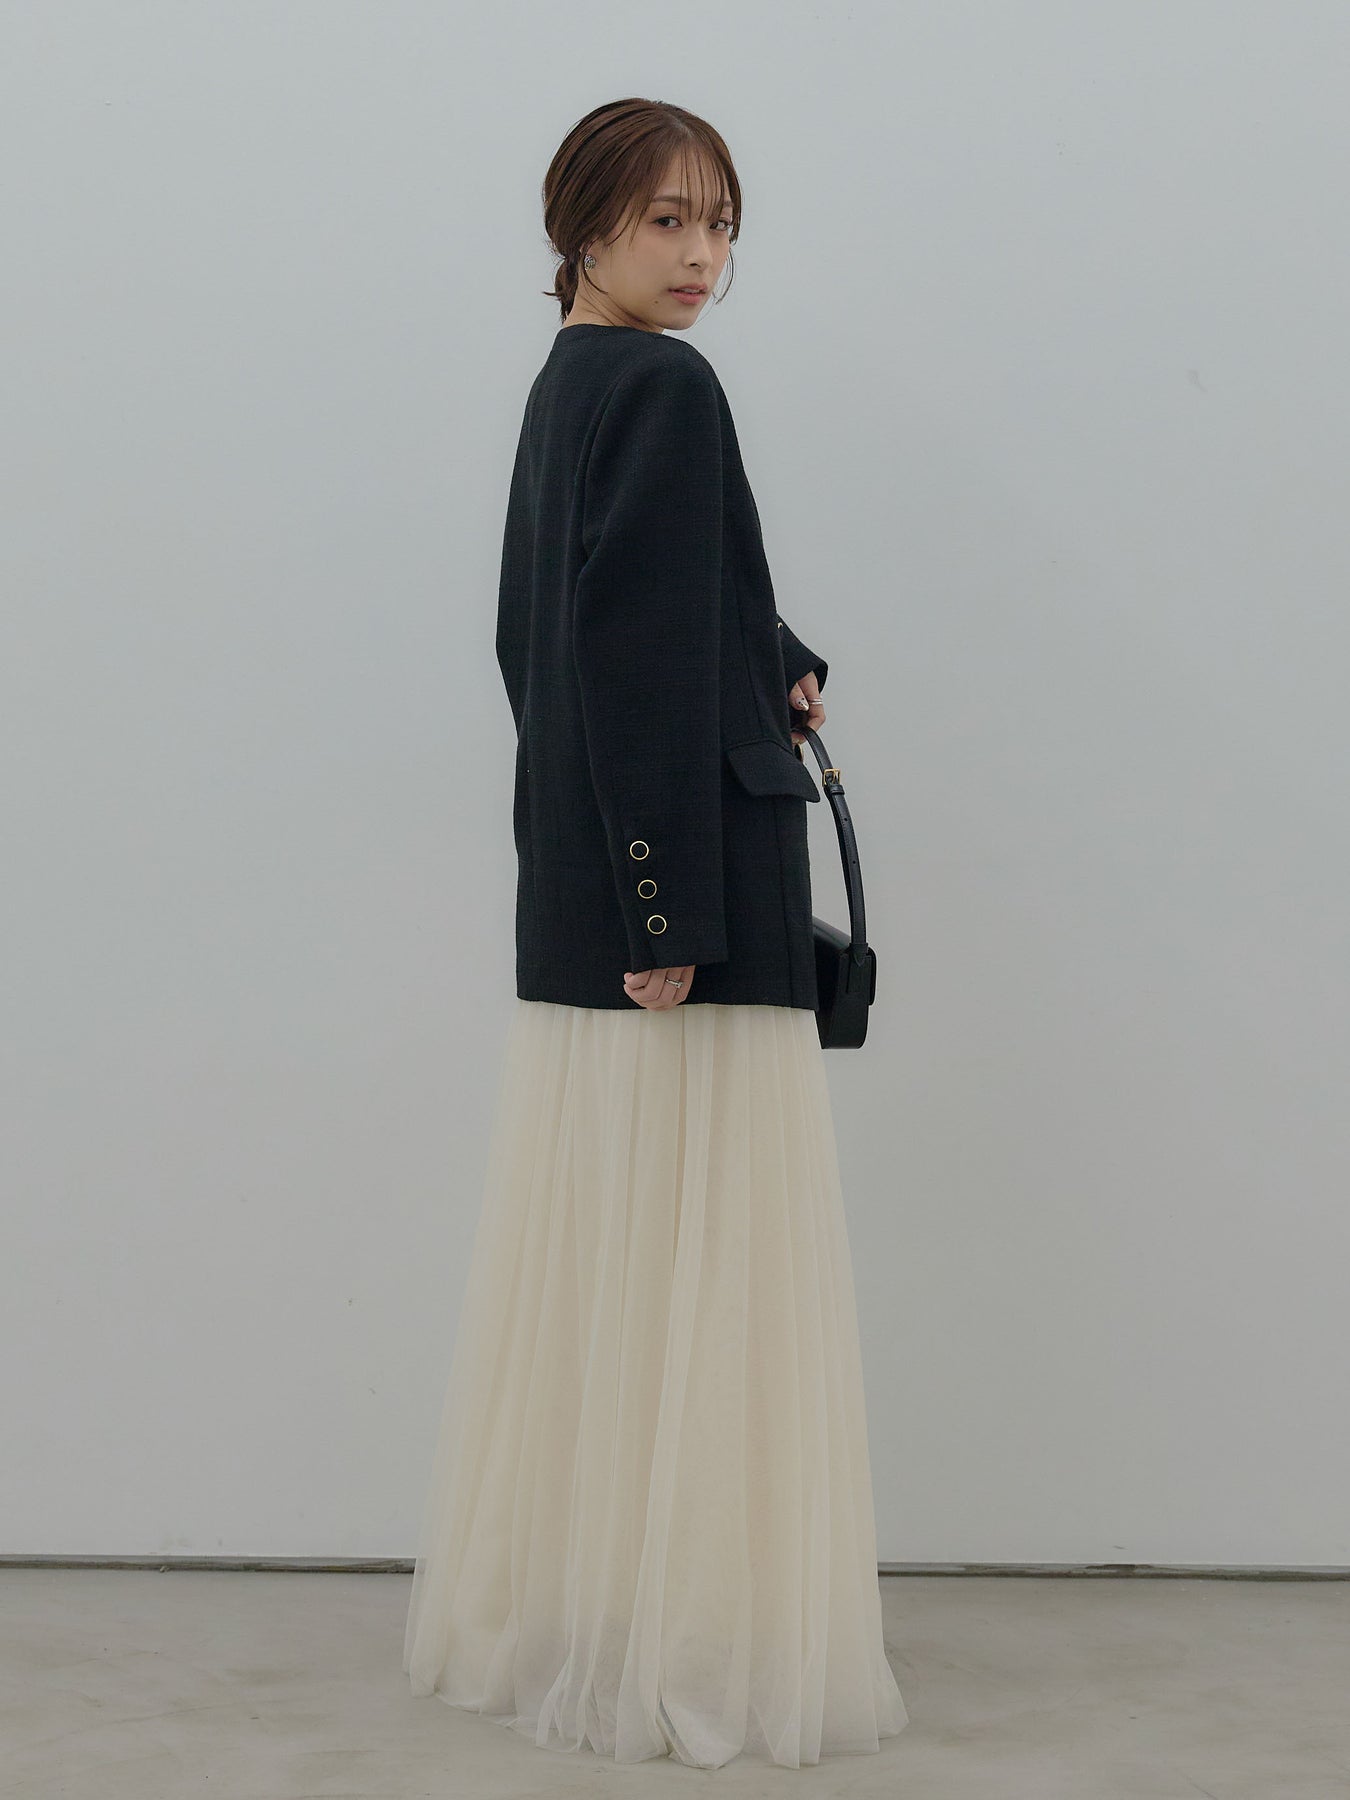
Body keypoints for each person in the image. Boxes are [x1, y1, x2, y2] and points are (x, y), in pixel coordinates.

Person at [402, 97, 908, 1769]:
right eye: (667, 220)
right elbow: (616, 655)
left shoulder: (572, 380)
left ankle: (598, 1613)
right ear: (583, 226)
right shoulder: (665, 388)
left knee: (619, 1271)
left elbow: (576, 622)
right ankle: (691, 1640)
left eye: (721, 225)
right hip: (683, 891)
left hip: (595, 882)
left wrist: (773, 653)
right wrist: (666, 902)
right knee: (706, 1279)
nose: (702, 257)